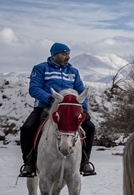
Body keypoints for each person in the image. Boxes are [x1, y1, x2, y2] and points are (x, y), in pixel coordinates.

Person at [19, 43, 96, 177]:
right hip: (46, 106)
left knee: (90, 127)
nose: (68, 57)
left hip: (70, 109)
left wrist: (83, 108)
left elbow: (81, 91)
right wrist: (50, 99)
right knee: (27, 128)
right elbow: (34, 88)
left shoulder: (73, 72)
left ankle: (84, 161)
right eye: (64, 54)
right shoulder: (41, 68)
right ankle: (29, 162)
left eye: (68, 54)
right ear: (54, 55)